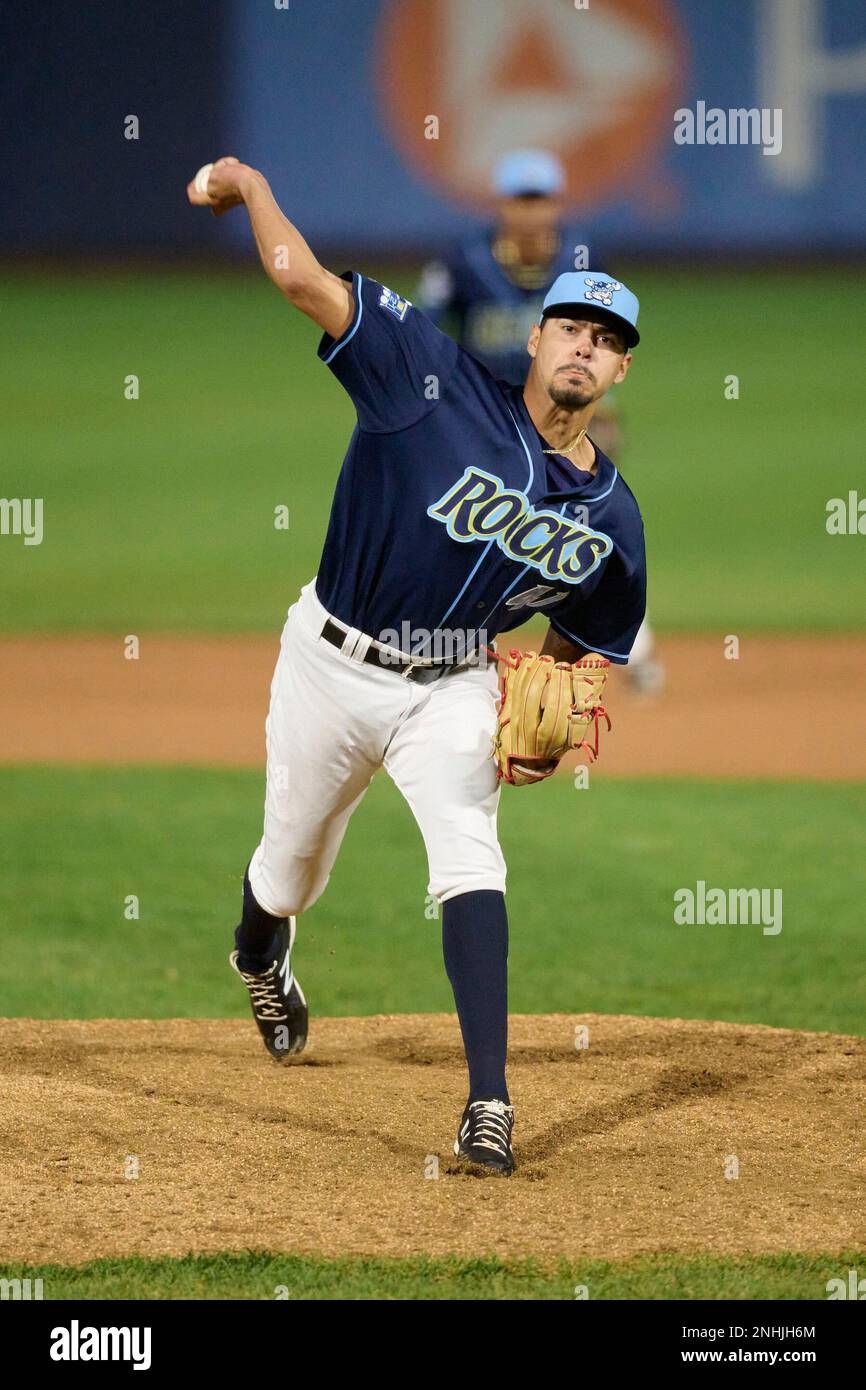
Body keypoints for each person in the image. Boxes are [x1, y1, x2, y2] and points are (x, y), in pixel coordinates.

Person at [187, 156, 647, 1176]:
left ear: (618, 373)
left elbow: (591, 634)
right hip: (328, 664)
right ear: (533, 338)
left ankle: (488, 1102)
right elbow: (305, 281)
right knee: (291, 865)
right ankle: (259, 953)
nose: (585, 346)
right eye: (572, 325)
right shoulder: (423, 380)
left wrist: (555, 697)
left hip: (450, 686)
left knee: (469, 854)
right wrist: (258, 189)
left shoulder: (610, 520)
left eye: (607, 340)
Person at [418, 148, 663, 696]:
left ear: (556, 205)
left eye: (542, 199)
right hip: (483, 426)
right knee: (468, 534)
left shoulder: (582, 258)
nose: (532, 211)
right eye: (522, 199)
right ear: (503, 204)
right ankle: (443, 649)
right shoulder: (462, 261)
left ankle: (627, 643)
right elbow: (425, 338)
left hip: (557, 427)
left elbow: (600, 343)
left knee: (588, 536)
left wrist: (608, 414)